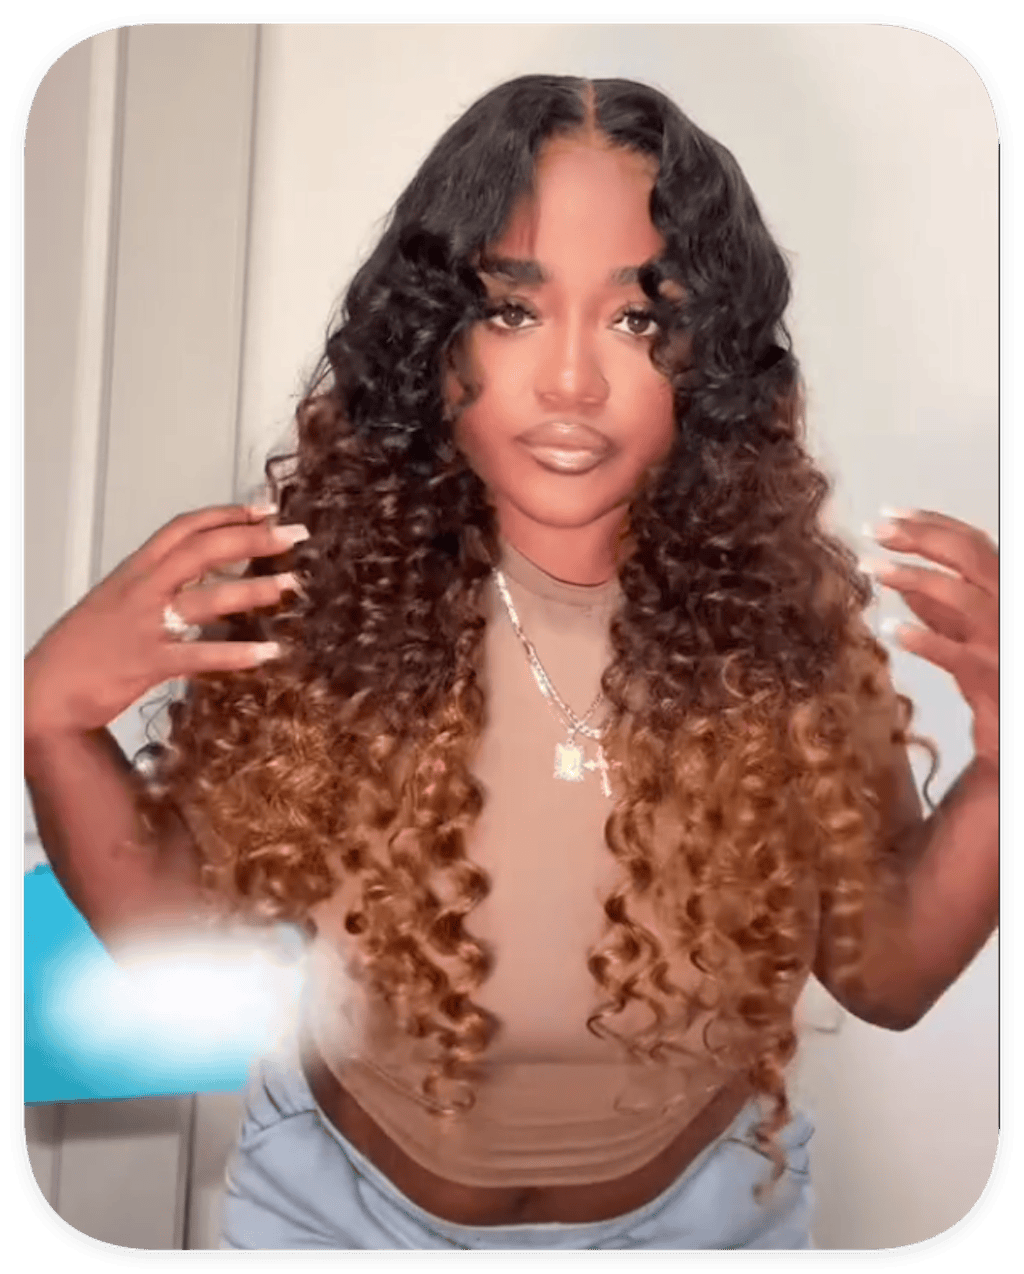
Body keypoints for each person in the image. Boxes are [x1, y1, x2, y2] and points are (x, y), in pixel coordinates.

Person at [23, 75, 999, 1252]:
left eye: (639, 319)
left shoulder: (786, 638)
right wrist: (50, 722)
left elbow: (889, 974)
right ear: (433, 338)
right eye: (512, 310)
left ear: (711, 356)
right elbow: (174, 940)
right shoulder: (322, 608)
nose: (572, 380)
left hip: (701, 1223)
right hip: (338, 1216)